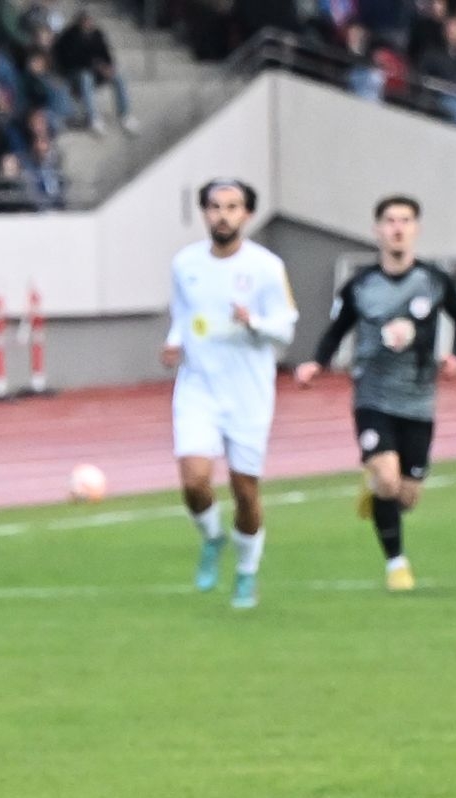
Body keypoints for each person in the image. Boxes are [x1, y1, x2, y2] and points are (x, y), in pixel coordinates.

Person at [294, 195, 456, 591]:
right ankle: (397, 565)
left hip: (419, 397)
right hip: (372, 395)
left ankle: (375, 485)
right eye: (390, 220)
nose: (397, 228)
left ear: (416, 228)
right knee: (389, 481)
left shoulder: (434, 280)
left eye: (405, 220)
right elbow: (337, 329)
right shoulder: (360, 285)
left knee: (406, 496)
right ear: (377, 229)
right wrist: (317, 363)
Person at [159, 178, 297, 609]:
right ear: (205, 213)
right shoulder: (185, 263)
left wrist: (252, 320)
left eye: (232, 207)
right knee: (195, 481)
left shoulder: (266, 267)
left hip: (248, 393)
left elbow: (286, 327)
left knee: (244, 491)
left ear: (247, 215)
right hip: (198, 386)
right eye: (215, 206)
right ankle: (213, 537)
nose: (223, 214)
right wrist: (174, 341)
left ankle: (246, 572)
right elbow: (183, 315)